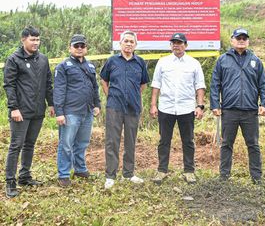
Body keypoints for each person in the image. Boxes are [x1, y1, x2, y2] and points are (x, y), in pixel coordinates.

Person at [210, 28, 265, 184]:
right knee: (226, 144)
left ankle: (257, 178)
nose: (241, 40)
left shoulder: (256, 61)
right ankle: (224, 177)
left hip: (250, 112)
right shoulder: (223, 60)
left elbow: (263, 85)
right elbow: (215, 84)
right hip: (229, 111)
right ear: (232, 40)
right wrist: (215, 104)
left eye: (244, 38)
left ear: (248, 41)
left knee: (253, 145)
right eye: (238, 38)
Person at [3, 26, 54, 198]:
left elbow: (48, 82)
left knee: (30, 144)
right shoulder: (14, 59)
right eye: (32, 39)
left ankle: (24, 176)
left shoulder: (43, 59)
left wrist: (51, 104)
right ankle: (10, 181)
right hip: (21, 112)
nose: (36, 43)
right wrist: (14, 108)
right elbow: (9, 85)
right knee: (16, 145)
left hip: (38, 110)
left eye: (38, 39)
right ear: (23, 40)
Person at [150, 33, 206, 184]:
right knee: (164, 141)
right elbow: (156, 85)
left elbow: (199, 86)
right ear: (170, 46)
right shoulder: (163, 62)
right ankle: (162, 170)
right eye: (174, 43)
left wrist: (199, 106)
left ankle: (189, 171)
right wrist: (153, 105)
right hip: (166, 108)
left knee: (188, 141)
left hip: (186, 108)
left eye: (179, 43)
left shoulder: (194, 63)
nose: (176, 45)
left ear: (186, 45)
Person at [100, 30, 149, 189]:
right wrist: (112, 96)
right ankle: (110, 175)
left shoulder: (140, 62)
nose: (128, 44)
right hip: (114, 106)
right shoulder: (112, 61)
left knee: (130, 141)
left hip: (133, 107)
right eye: (126, 41)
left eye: (131, 41)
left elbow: (143, 85)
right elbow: (104, 81)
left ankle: (128, 173)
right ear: (120, 44)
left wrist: (133, 96)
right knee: (112, 141)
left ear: (135, 45)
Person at [54, 34, 101, 187]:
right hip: (70, 112)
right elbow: (59, 90)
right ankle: (63, 174)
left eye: (82, 46)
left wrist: (97, 105)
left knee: (82, 143)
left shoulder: (90, 66)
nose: (79, 48)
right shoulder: (63, 66)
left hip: (87, 112)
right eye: (76, 46)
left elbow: (95, 87)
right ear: (70, 48)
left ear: (86, 48)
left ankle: (80, 169)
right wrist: (59, 112)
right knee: (66, 144)